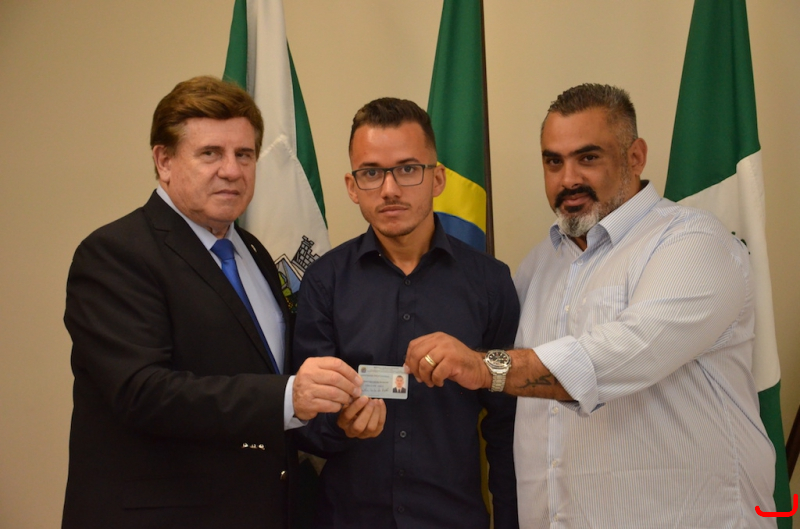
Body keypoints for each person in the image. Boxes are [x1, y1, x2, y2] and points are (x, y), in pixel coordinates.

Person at [405, 84, 777, 528]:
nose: (568, 179)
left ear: (635, 157)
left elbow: (623, 352)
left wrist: (487, 367)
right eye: (553, 162)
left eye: (588, 158)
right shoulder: (538, 266)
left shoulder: (693, 242)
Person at [62, 76, 363, 529]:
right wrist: (288, 397)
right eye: (210, 154)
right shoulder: (115, 253)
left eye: (244, 154)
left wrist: (334, 410)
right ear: (163, 161)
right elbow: (142, 392)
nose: (232, 170)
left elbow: (268, 374)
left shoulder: (254, 252)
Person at [292, 98, 520, 529]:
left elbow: (507, 426)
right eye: (371, 173)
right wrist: (340, 425)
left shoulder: (490, 282)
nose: (390, 189)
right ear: (351, 186)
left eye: (408, 169)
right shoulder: (324, 281)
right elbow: (303, 418)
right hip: (349, 519)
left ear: (438, 178)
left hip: (452, 519)